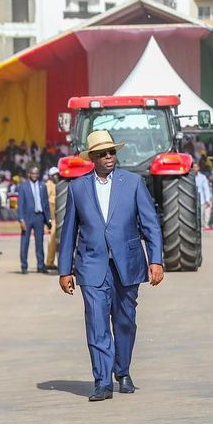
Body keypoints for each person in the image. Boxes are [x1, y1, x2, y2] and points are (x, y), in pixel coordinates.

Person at [58, 130, 164, 402]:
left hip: (127, 264)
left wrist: (156, 260)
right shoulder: (77, 188)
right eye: (103, 153)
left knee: (125, 322)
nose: (108, 157)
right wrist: (64, 270)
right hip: (91, 265)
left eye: (112, 152)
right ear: (92, 157)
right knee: (96, 323)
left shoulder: (133, 183)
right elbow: (68, 230)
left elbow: (151, 224)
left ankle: (123, 370)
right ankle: (102, 381)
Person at [16, 165, 51, 274]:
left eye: (36, 173)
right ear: (29, 174)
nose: (34, 175)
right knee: (25, 243)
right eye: (32, 173)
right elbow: (20, 204)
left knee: (39, 243)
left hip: (39, 217)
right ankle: (24, 266)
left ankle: (40, 265)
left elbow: (46, 203)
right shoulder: (23, 187)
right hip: (27, 217)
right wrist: (21, 219)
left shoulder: (42, 186)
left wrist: (48, 219)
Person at [44, 167, 59, 272]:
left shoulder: (58, 184)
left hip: (59, 216)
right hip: (53, 218)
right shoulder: (48, 185)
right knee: (52, 240)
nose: (56, 176)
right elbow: (46, 202)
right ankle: (49, 262)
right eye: (54, 175)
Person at [193, 162, 212, 229]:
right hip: (192, 199)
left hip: (201, 199)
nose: (194, 168)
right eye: (193, 167)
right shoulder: (189, 177)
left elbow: (206, 189)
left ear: (198, 168)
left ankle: (204, 224)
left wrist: (207, 200)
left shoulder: (202, 177)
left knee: (202, 213)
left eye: (196, 167)